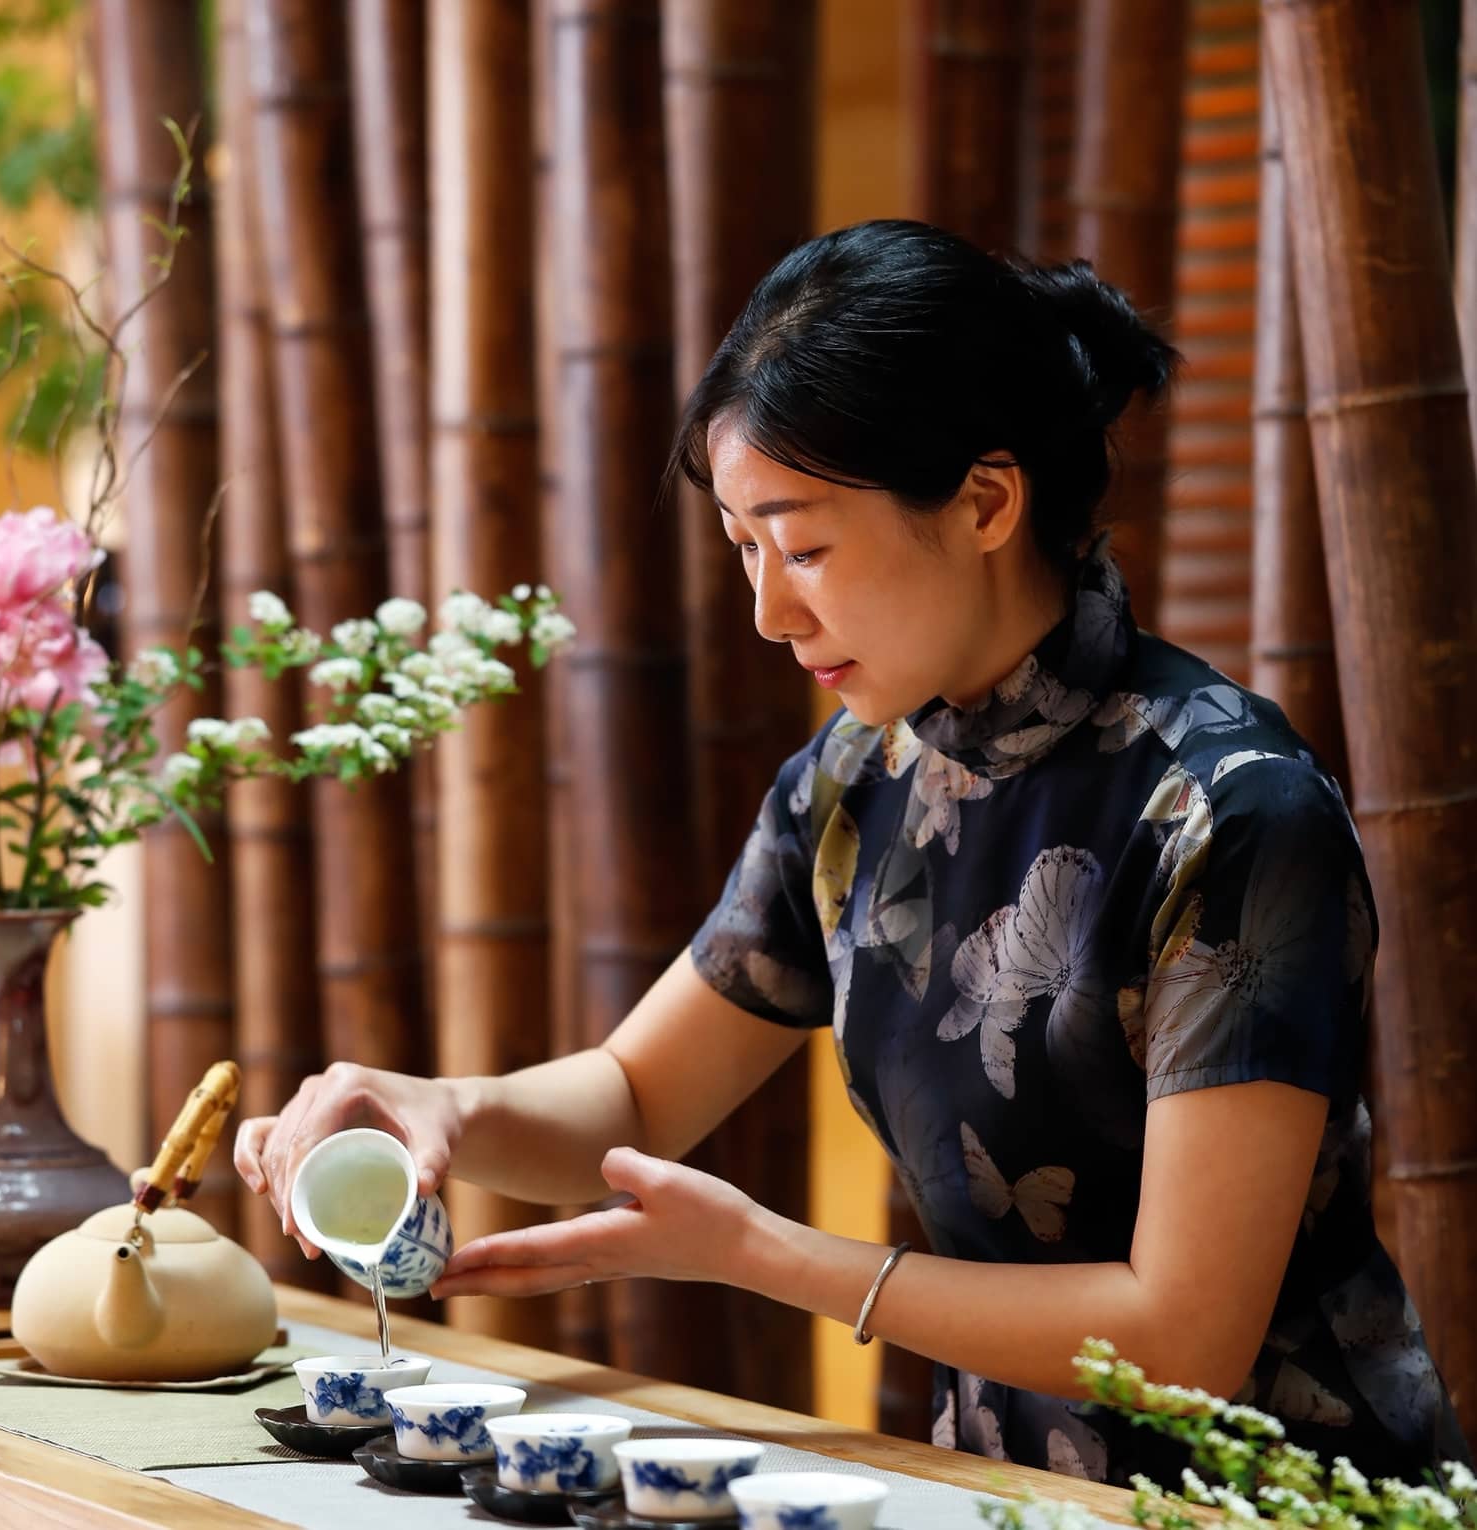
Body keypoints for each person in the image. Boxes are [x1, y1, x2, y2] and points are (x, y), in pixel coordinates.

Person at [236, 220, 1470, 1487]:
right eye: (745, 548)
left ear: (987, 503)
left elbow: (1185, 1335)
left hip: (1276, 1501)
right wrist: (444, 1108)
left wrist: (758, 1254)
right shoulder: (855, 781)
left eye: (806, 546)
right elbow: (639, 1094)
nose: (770, 611)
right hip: (997, 1494)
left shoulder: (1230, 810)